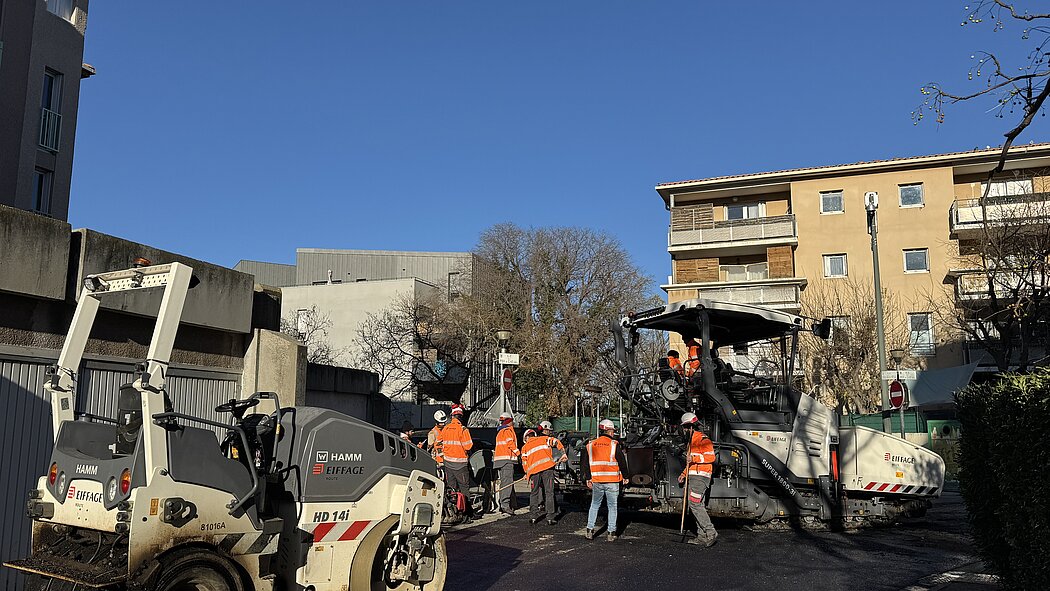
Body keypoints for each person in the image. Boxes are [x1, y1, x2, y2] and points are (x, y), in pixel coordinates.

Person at [581, 419, 629, 541]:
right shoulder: (614, 444)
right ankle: (611, 533)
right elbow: (622, 462)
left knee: (595, 505)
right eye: (613, 431)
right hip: (612, 481)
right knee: (612, 506)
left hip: (597, 480)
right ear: (608, 431)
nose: (613, 433)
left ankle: (589, 530)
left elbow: (586, 464)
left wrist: (588, 478)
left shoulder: (590, 444)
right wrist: (626, 476)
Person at [678, 412, 718, 547]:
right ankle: (702, 536)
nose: (683, 431)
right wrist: (684, 474)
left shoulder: (702, 440)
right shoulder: (691, 443)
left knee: (694, 504)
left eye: (685, 428)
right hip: (694, 477)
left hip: (700, 478)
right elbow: (690, 463)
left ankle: (710, 532)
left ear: (690, 427)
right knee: (697, 505)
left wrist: (694, 459)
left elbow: (711, 457)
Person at [520, 421, 565, 525]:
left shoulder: (525, 447)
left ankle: (533, 517)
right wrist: (563, 454)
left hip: (534, 473)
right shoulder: (545, 439)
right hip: (547, 469)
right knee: (549, 493)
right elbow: (557, 442)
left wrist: (527, 474)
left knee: (534, 493)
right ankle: (550, 517)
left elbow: (524, 463)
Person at [440, 404, 475, 520]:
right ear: (461, 416)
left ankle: (453, 513)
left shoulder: (445, 429)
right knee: (464, 490)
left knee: (452, 490)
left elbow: (440, 443)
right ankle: (466, 514)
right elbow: (468, 446)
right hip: (460, 465)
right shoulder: (463, 430)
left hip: (448, 464)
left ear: (453, 416)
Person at [493, 411, 520, 515]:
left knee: (507, 482)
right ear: (509, 421)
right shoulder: (508, 431)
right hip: (507, 460)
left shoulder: (500, 431)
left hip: (501, 460)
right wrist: (519, 453)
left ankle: (511, 503)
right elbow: (510, 444)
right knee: (507, 483)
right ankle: (505, 505)